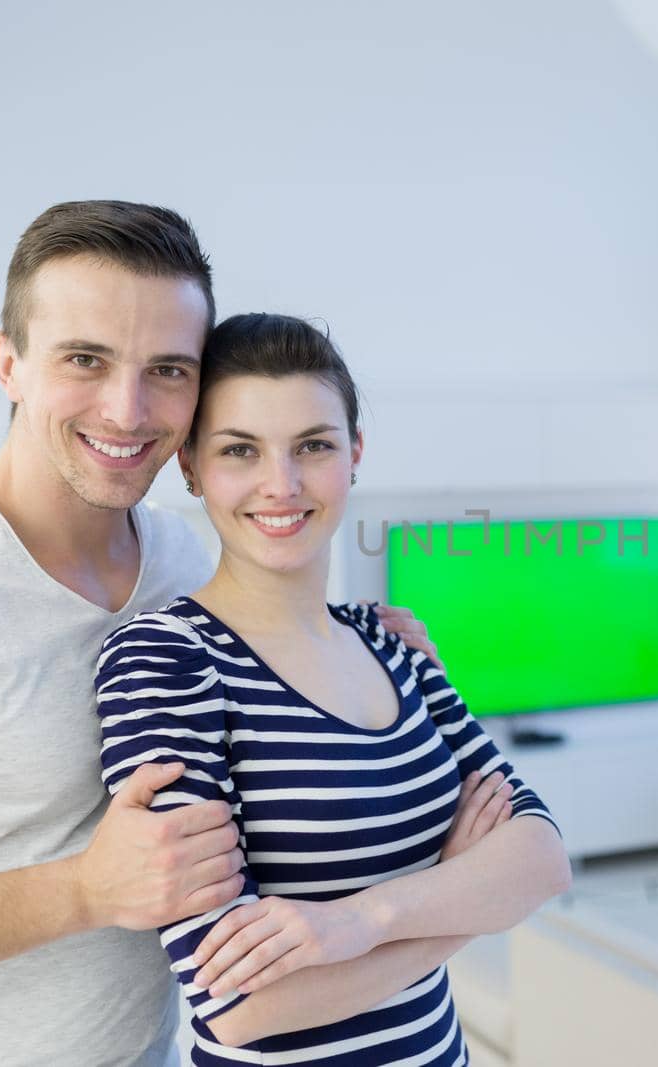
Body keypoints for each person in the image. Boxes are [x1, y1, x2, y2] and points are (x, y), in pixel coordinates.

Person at [0, 201, 439, 1065]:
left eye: (168, 368)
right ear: (7, 362)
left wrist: (357, 641)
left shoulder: (180, 555)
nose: (128, 409)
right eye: (85, 359)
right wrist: (81, 893)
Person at [95, 313, 571, 1064]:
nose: (280, 485)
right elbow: (239, 1005)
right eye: (240, 450)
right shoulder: (167, 661)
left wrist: (365, 918)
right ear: (190, 467)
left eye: (312, 445)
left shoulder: (389, 641)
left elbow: (543, 857)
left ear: (354, 453)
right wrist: (461, 895)